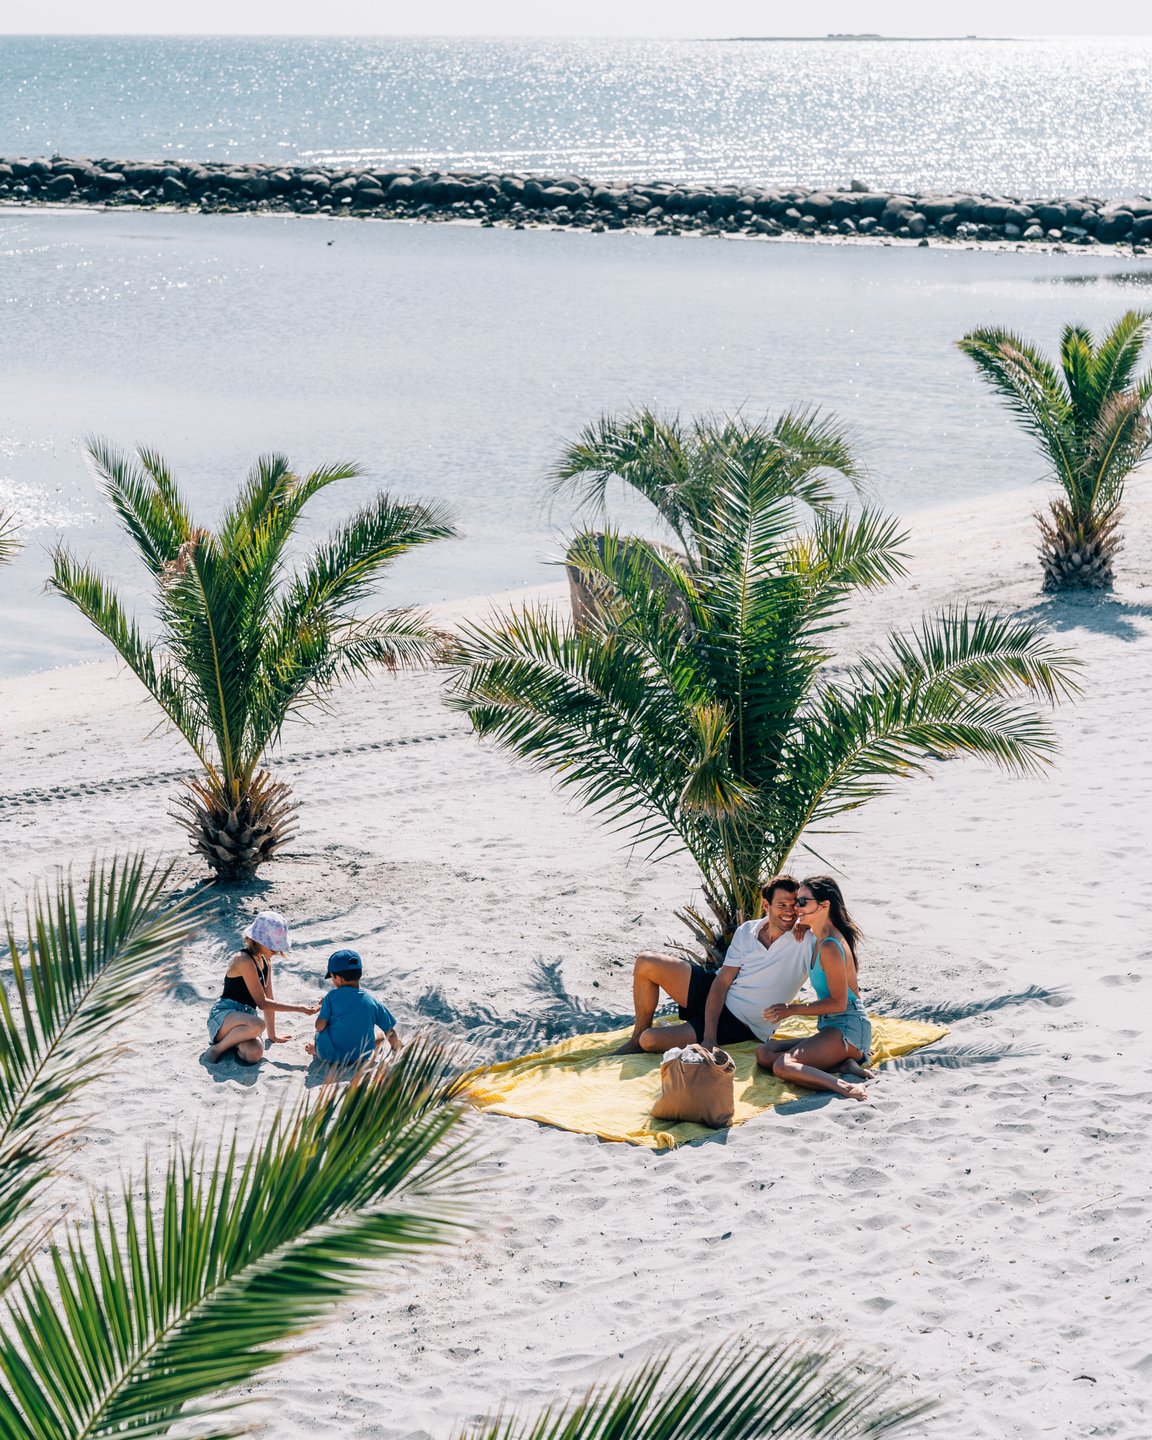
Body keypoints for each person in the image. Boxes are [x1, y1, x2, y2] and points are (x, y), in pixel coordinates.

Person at [613, 875, 816, 1054]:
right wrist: (709, 1038)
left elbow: (830, 920)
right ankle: (635, 1040)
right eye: (782, 905)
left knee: (649, 1040)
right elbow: (722, 982)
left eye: (794, 905)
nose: (789, 912)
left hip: (738, 1023)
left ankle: (648, 1038)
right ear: (766, 905)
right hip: (714, 988)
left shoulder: (806, 939)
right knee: (646, 962)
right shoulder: (747, 930)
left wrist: (808, 921)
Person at [757, 875, 874, 1101]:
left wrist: (791, 1009)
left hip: (849, 1029)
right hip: (831, 1027)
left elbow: (838, 1003)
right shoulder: (816, 936)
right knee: (765, 1053)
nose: (795, 907)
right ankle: (843, 1065)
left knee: (783, 1065)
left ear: (824, 905)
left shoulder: (830, 946)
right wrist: (801, 924)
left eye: (802, 902)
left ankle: (846, 1087)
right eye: (796, 902)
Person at [204, 911, 319, 1065]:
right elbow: (263, 1003)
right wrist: (300, 1008)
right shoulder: (243, 959)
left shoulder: (265, 962)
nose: (276, 950)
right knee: (258, 1024)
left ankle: (232, 1042)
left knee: (254, 1054)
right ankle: (217, 1049)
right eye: (272, 945)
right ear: (257, 940)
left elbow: (269, 999)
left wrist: (272, 1036)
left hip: (246, 1019)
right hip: (225, 1015)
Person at [305, 948, 401, 1066]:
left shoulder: (330, 997)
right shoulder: (372, 1001)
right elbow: (389, 1031)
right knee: (372, 1032)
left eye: (332, 977)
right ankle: (378, 1038)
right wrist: (396, 1048)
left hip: (330, 1056)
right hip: (361, 1056)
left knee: (323, 1030)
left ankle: (316, 1049)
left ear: (338, 978)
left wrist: (325, 1007)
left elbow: (319, 1027)